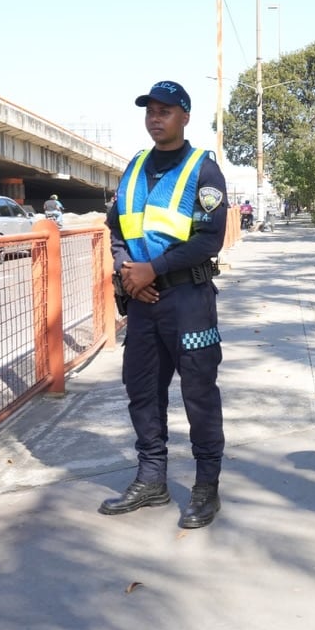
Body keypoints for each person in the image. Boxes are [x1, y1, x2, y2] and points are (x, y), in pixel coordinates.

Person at [101, 80, 228, 529]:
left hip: (189, 301)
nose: (156, 118)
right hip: (142, 301)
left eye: (166, 111)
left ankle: (206, 487)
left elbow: (209, 239)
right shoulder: (134, 167)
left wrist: (152, 270)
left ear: (185, 117)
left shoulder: (203, 170)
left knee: (198, 394)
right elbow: (118, 230)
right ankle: (151, 477)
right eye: (151, 111)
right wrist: (127, 272)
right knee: (141, 391)